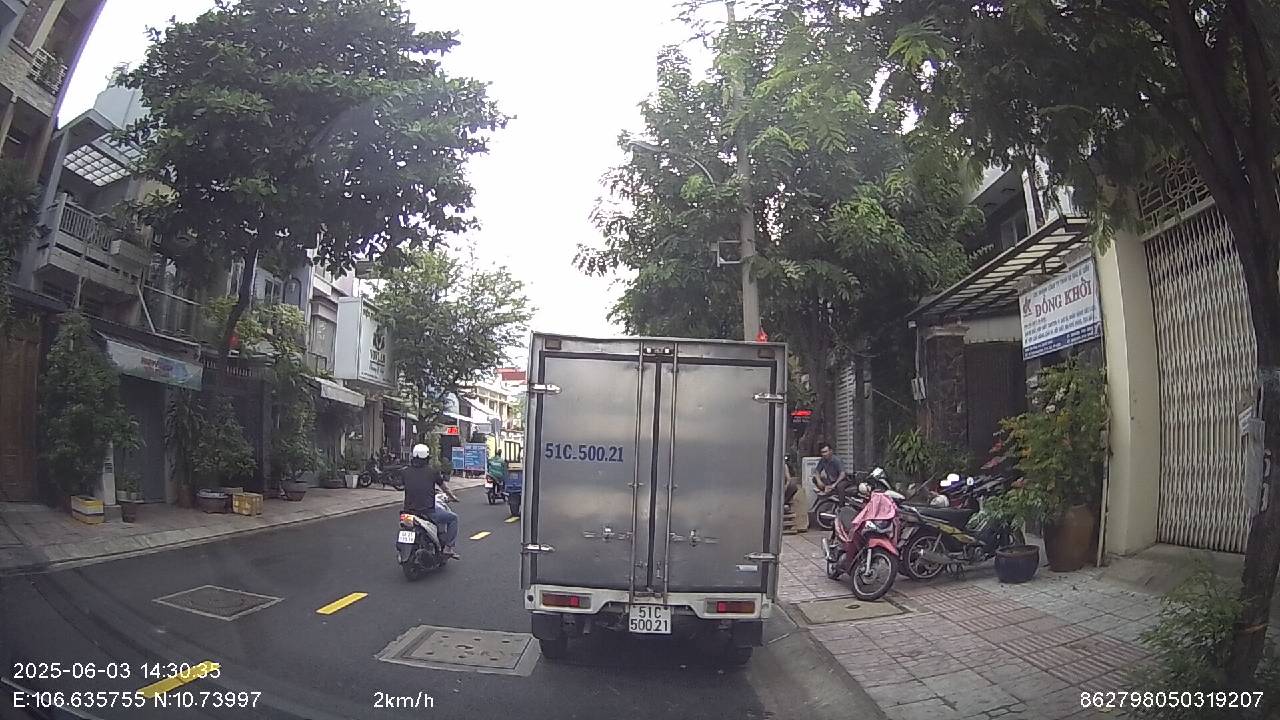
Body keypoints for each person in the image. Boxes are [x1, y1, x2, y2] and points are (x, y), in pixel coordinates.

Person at [402, 443, 462, 559]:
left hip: (408, 511)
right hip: (427, 511)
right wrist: (452, 497)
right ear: (427, 458)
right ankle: (448, 547)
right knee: (453, 518)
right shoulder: (432, 472)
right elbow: (444, 488)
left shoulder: (405, 471)